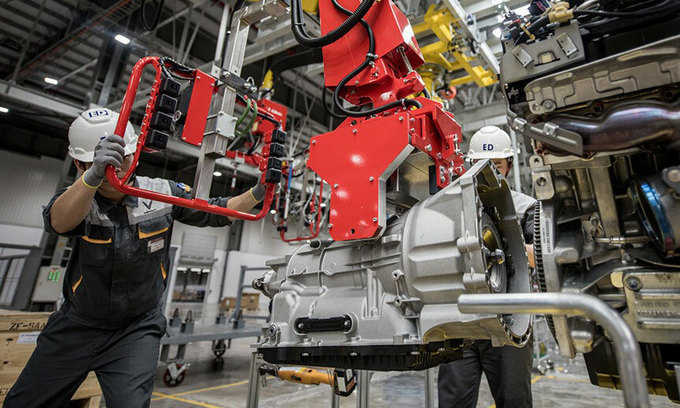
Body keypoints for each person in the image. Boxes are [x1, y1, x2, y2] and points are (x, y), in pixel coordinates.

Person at [5, 108, 267, 408]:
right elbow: (58, 222)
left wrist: (259, 191)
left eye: (122, 159)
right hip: (77, 327)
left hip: (136, 331)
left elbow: (219, 212)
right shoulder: (78, 199)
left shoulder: (161, 193)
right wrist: (91, 179)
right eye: (98, 164)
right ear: (79, 164)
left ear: (136, 154)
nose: (113, 171)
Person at [438, 125, 536, 408]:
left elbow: (539, 256)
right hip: (463, 322)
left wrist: (502, 251)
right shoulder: (452, 207)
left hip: (510, 324)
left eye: (496, 164)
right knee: (453, 401)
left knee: (514, 400)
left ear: (508, 165)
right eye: (482, 165)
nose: (490, 171)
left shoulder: (525, 207)